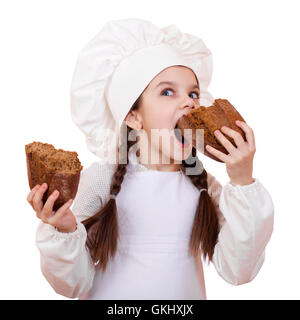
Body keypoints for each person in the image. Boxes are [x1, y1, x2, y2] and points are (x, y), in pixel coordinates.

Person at [26, 18, 274, 300]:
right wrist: (64, 228)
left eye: (193, 93)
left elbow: (238, 271)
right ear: (133, 117)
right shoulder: (101, 180)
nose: (189, 103)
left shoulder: (206, 185)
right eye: (168, 92)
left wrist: (242, 179)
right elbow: (73, 285)